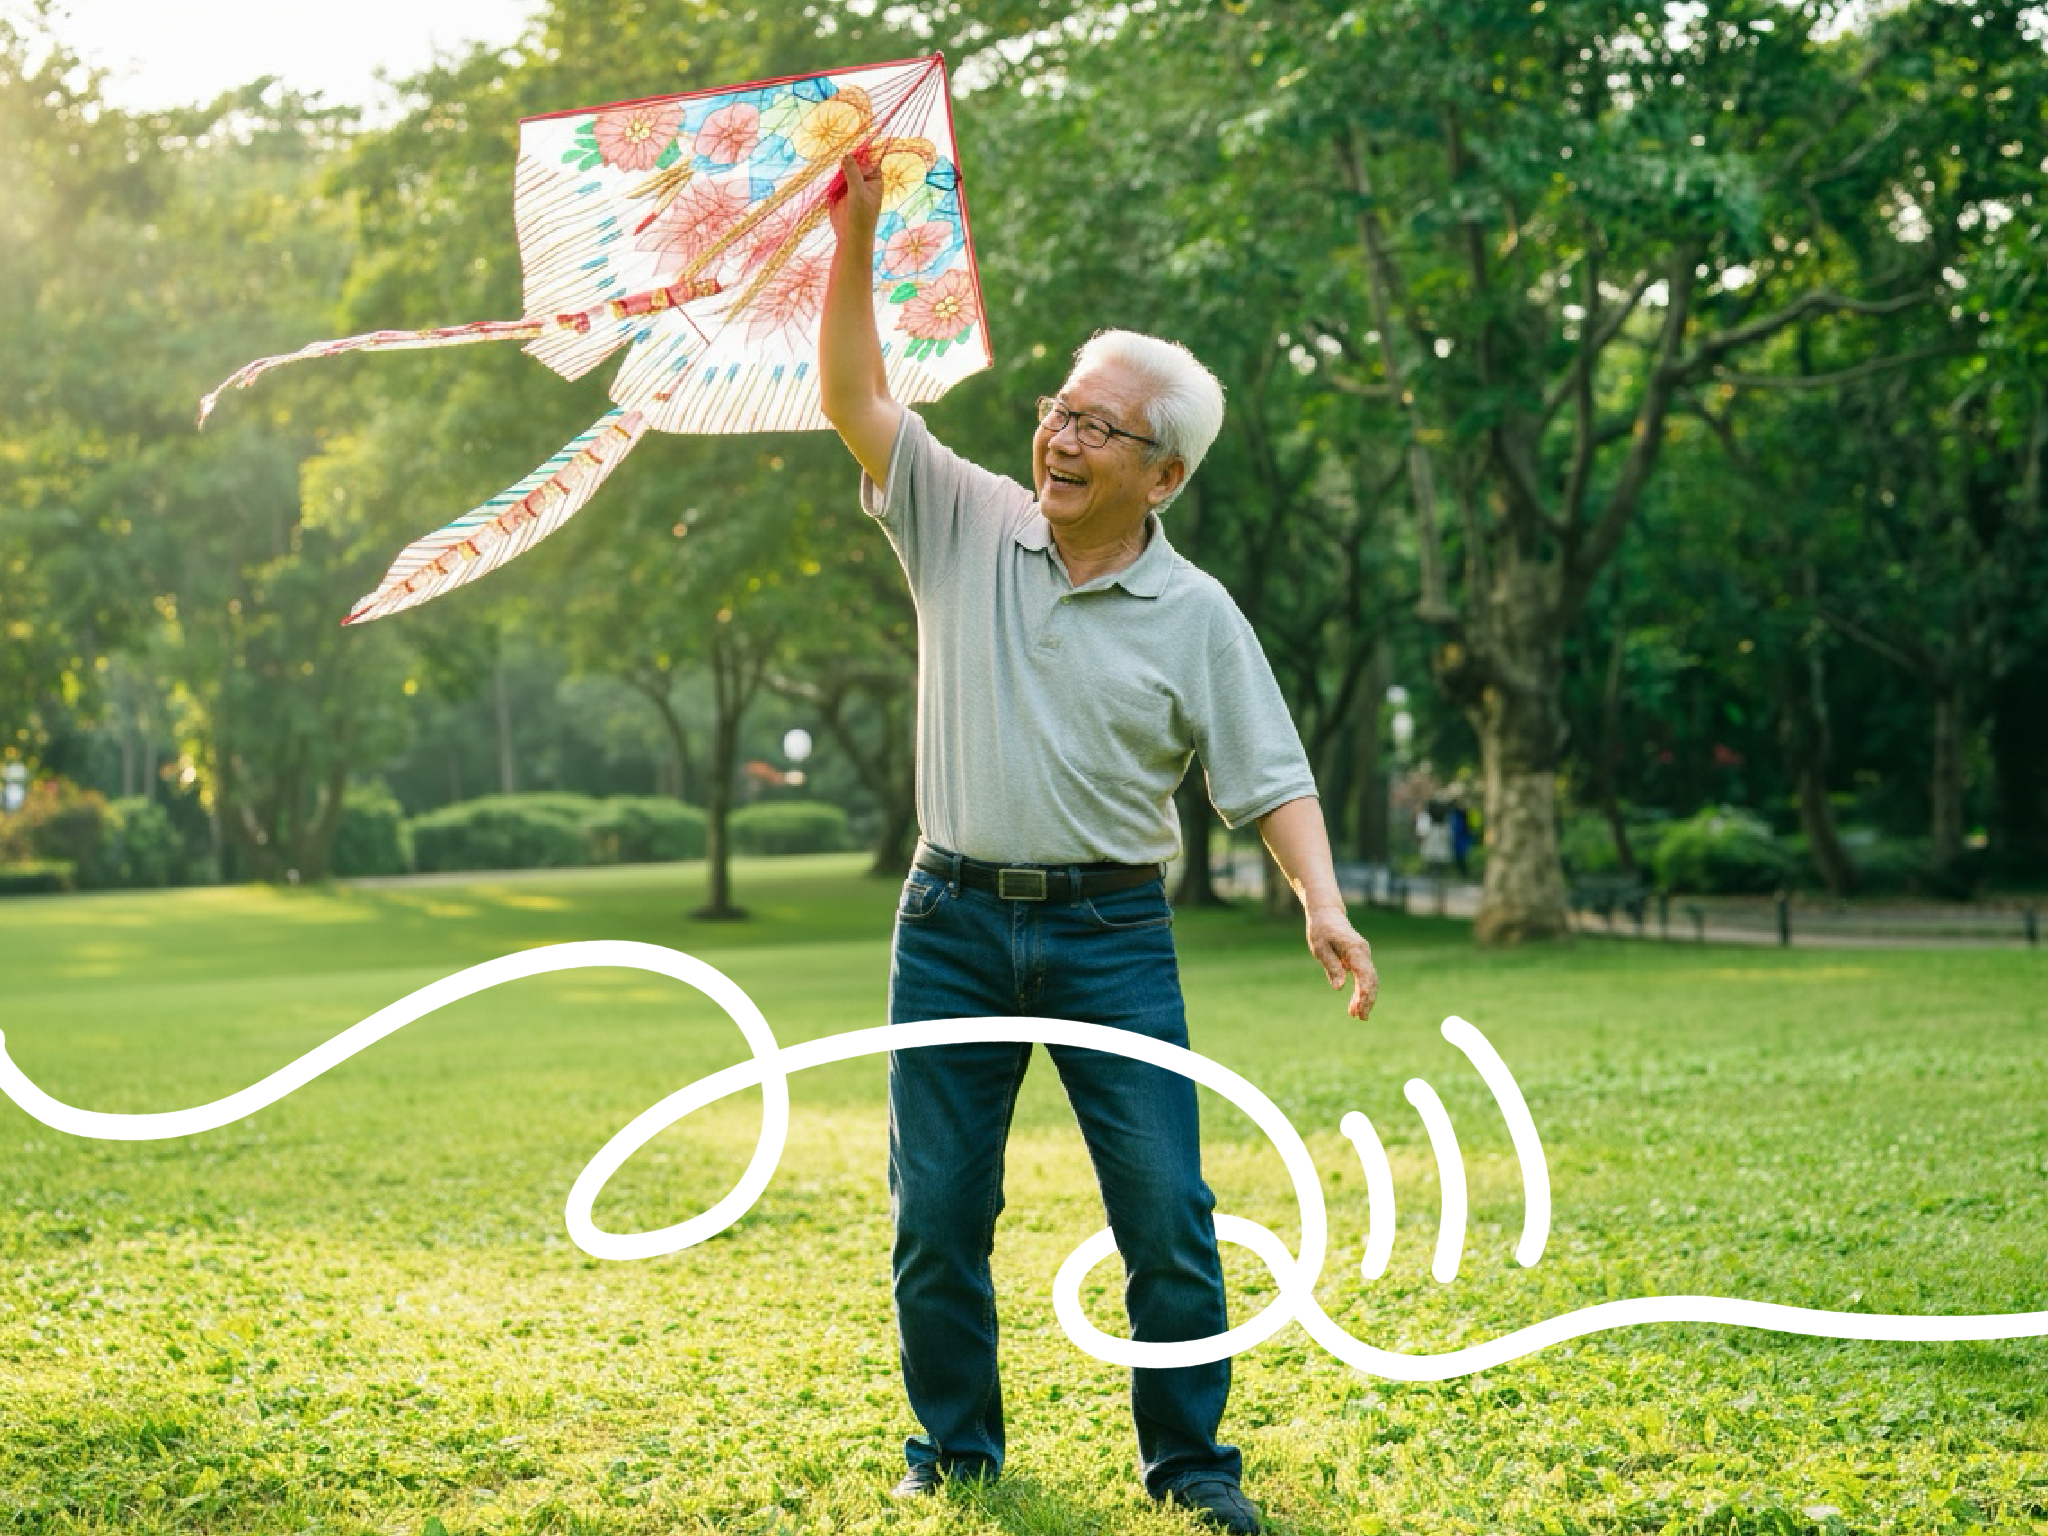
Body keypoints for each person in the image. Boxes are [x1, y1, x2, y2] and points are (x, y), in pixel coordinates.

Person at [820, 154, 1377, 1536]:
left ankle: (1193, 1468)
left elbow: (1271, 773)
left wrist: (1322, 898)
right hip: (948, 924)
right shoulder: (961, 520)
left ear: (1164, 474)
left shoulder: (1196, 612)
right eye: (1059, 412)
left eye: (1101, 428)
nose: (1062, 441)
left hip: (1111, 935)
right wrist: (858, 241)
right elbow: (852, 395)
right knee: (937, 1213)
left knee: (1169, 1214)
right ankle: (954, 1452)